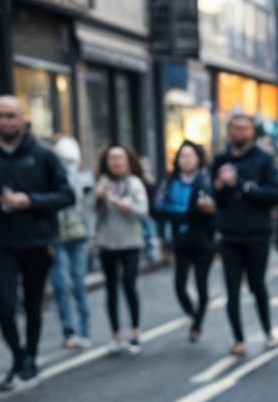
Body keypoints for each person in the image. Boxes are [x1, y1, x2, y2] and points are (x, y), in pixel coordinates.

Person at [0, 95, 74, 386]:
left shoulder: (44, 155)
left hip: (38, 240)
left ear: (23, 119)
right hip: (1, 243)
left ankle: (32, 356)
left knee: (34, 305)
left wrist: (30, 200)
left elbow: (66, 195)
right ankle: (18, 356)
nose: (5, 121)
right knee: (6, 306)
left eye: (10, 115)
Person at [210, 109, 278, 356]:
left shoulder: (263, 159)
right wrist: (219, 186)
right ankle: (238, 339)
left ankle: (268, 330)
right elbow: (212, 198)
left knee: (257, 285)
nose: (240, 132)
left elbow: (275, 194)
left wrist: (242, 186)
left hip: (257, 234)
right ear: (229, 131)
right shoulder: (220, 160)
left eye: (245, 128)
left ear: (252, 131)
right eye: (236, 128)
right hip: (229, 234)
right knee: (231, 289)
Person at [155, 140, 217, 341]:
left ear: (198, 159)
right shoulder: (170, 181)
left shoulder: (206, 180)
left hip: (202, 240)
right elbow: (158, 206)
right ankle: (193, 315)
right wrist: (182, 213)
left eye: (190, 156)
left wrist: (208, 208)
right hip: (180, 239)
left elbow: (215, 209)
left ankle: (197, 325)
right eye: (183, 156)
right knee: (180, 286)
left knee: (201, 285)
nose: (186, 160)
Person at [93, 144, 147, 354]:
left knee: (129, 284)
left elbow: (143, 210)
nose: (115, 162)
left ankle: (135, 331)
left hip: (130, 242)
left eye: (120, 158)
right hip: (107, 242)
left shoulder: (134, 183)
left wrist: (124, 204)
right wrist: (99, 197)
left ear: (127, 161)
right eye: (112, 158)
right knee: (111, 288)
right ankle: (116, 334)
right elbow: (91, 211)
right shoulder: (102, 183)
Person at [50, 136, 93, 350]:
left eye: (70, 160)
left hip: (79, 236)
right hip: (57, 237)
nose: (67, 165)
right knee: (60, 284)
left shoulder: (83, 180)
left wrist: (92, 235)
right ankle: (69, 330)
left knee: (77, 283)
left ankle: (84, 330)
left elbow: (89, 210)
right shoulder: (50, 179)